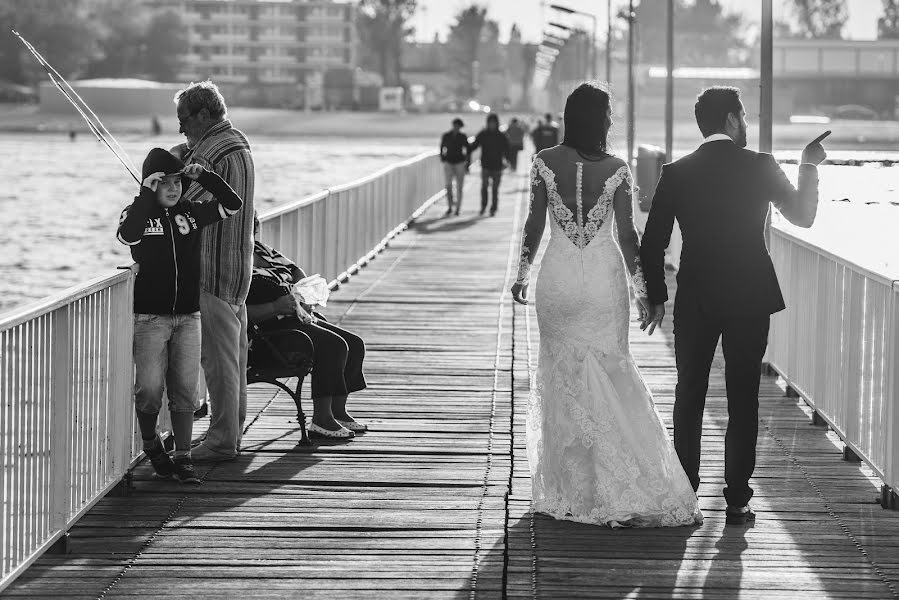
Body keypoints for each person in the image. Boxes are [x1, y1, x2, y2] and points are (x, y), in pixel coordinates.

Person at [511, 82, 701, 528]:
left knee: (561, 374)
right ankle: (617, 481)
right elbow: (628, 236)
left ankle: (573, 489)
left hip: (557, 278)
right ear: (602, 119)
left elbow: (534, 223)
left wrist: (521, 274)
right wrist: (644, 290)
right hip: (602, 279)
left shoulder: (543, 162)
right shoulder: (617, 168)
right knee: (611, 367)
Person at [640, 86, 826, 525]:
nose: (747, 125)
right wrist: (807, 166)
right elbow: (802, 215)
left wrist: (658, 297)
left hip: (696, 298)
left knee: (690, 394)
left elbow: (653, 245)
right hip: (749, 296)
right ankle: (738, 499)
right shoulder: (760, 166)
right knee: (743, 399)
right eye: (743, 117)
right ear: (729, 120)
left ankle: (685, 494)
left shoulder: (677, 172)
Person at [117, 148, 243, 483]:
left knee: (185, 389)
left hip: (188, 316)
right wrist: (146, 194)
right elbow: (127, 236)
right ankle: (150, 442)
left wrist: (203, 176)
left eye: (178, 182)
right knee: (149, 388)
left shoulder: (191, 213)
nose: (174, 188)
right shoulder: (138, 212)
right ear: (151, 183)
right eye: (165, 182)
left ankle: (183, 457)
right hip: (150, 319)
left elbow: (233, 204)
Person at [172, 81, 255, 462]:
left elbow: (180, 211)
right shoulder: (238, 142)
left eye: (185, 120)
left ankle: (222, 441)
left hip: (211, 268)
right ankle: (231, 431)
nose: (182, 128)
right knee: (234, 357)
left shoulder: (207, 154)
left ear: (204, 114)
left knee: (218, 363)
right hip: (239, 267)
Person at [246, 215, 367, 439]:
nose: (251, 226)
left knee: (354, 343)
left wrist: (301, 295)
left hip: (296, 320)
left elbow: (294, 270)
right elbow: (237, 310)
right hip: (267, 335)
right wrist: (274, 306)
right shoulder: (232, 258)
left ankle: (337, 412)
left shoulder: (261, 249)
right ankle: (321, 419)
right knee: (333, 345)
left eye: (252, 221)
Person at [469, 113, 510, 217]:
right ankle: (483, 206)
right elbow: (474, 145)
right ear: (487, 123)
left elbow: (507, 149)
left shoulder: (501, 135)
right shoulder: (483, 134)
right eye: (490, 123)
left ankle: (493, 208)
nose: (492, 124)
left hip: (497, 166)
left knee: (495, 189)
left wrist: (507, 161)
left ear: (497, 123)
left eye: (494, 123)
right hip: (485, 165)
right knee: (484, 187)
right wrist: (464, 147)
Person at [439, 118, 472, 216]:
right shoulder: (446, 136)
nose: (457, 127)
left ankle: (457, 208)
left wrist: (467, 164)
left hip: (459, 163)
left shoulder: (462, 136)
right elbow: (442, 147)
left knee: (459, 186)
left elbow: (468, 150)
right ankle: (449, 206)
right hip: (448, 162)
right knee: (448, 185)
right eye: (456, 125)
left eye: (458, 126)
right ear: (453, 125)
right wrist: (443, 158)